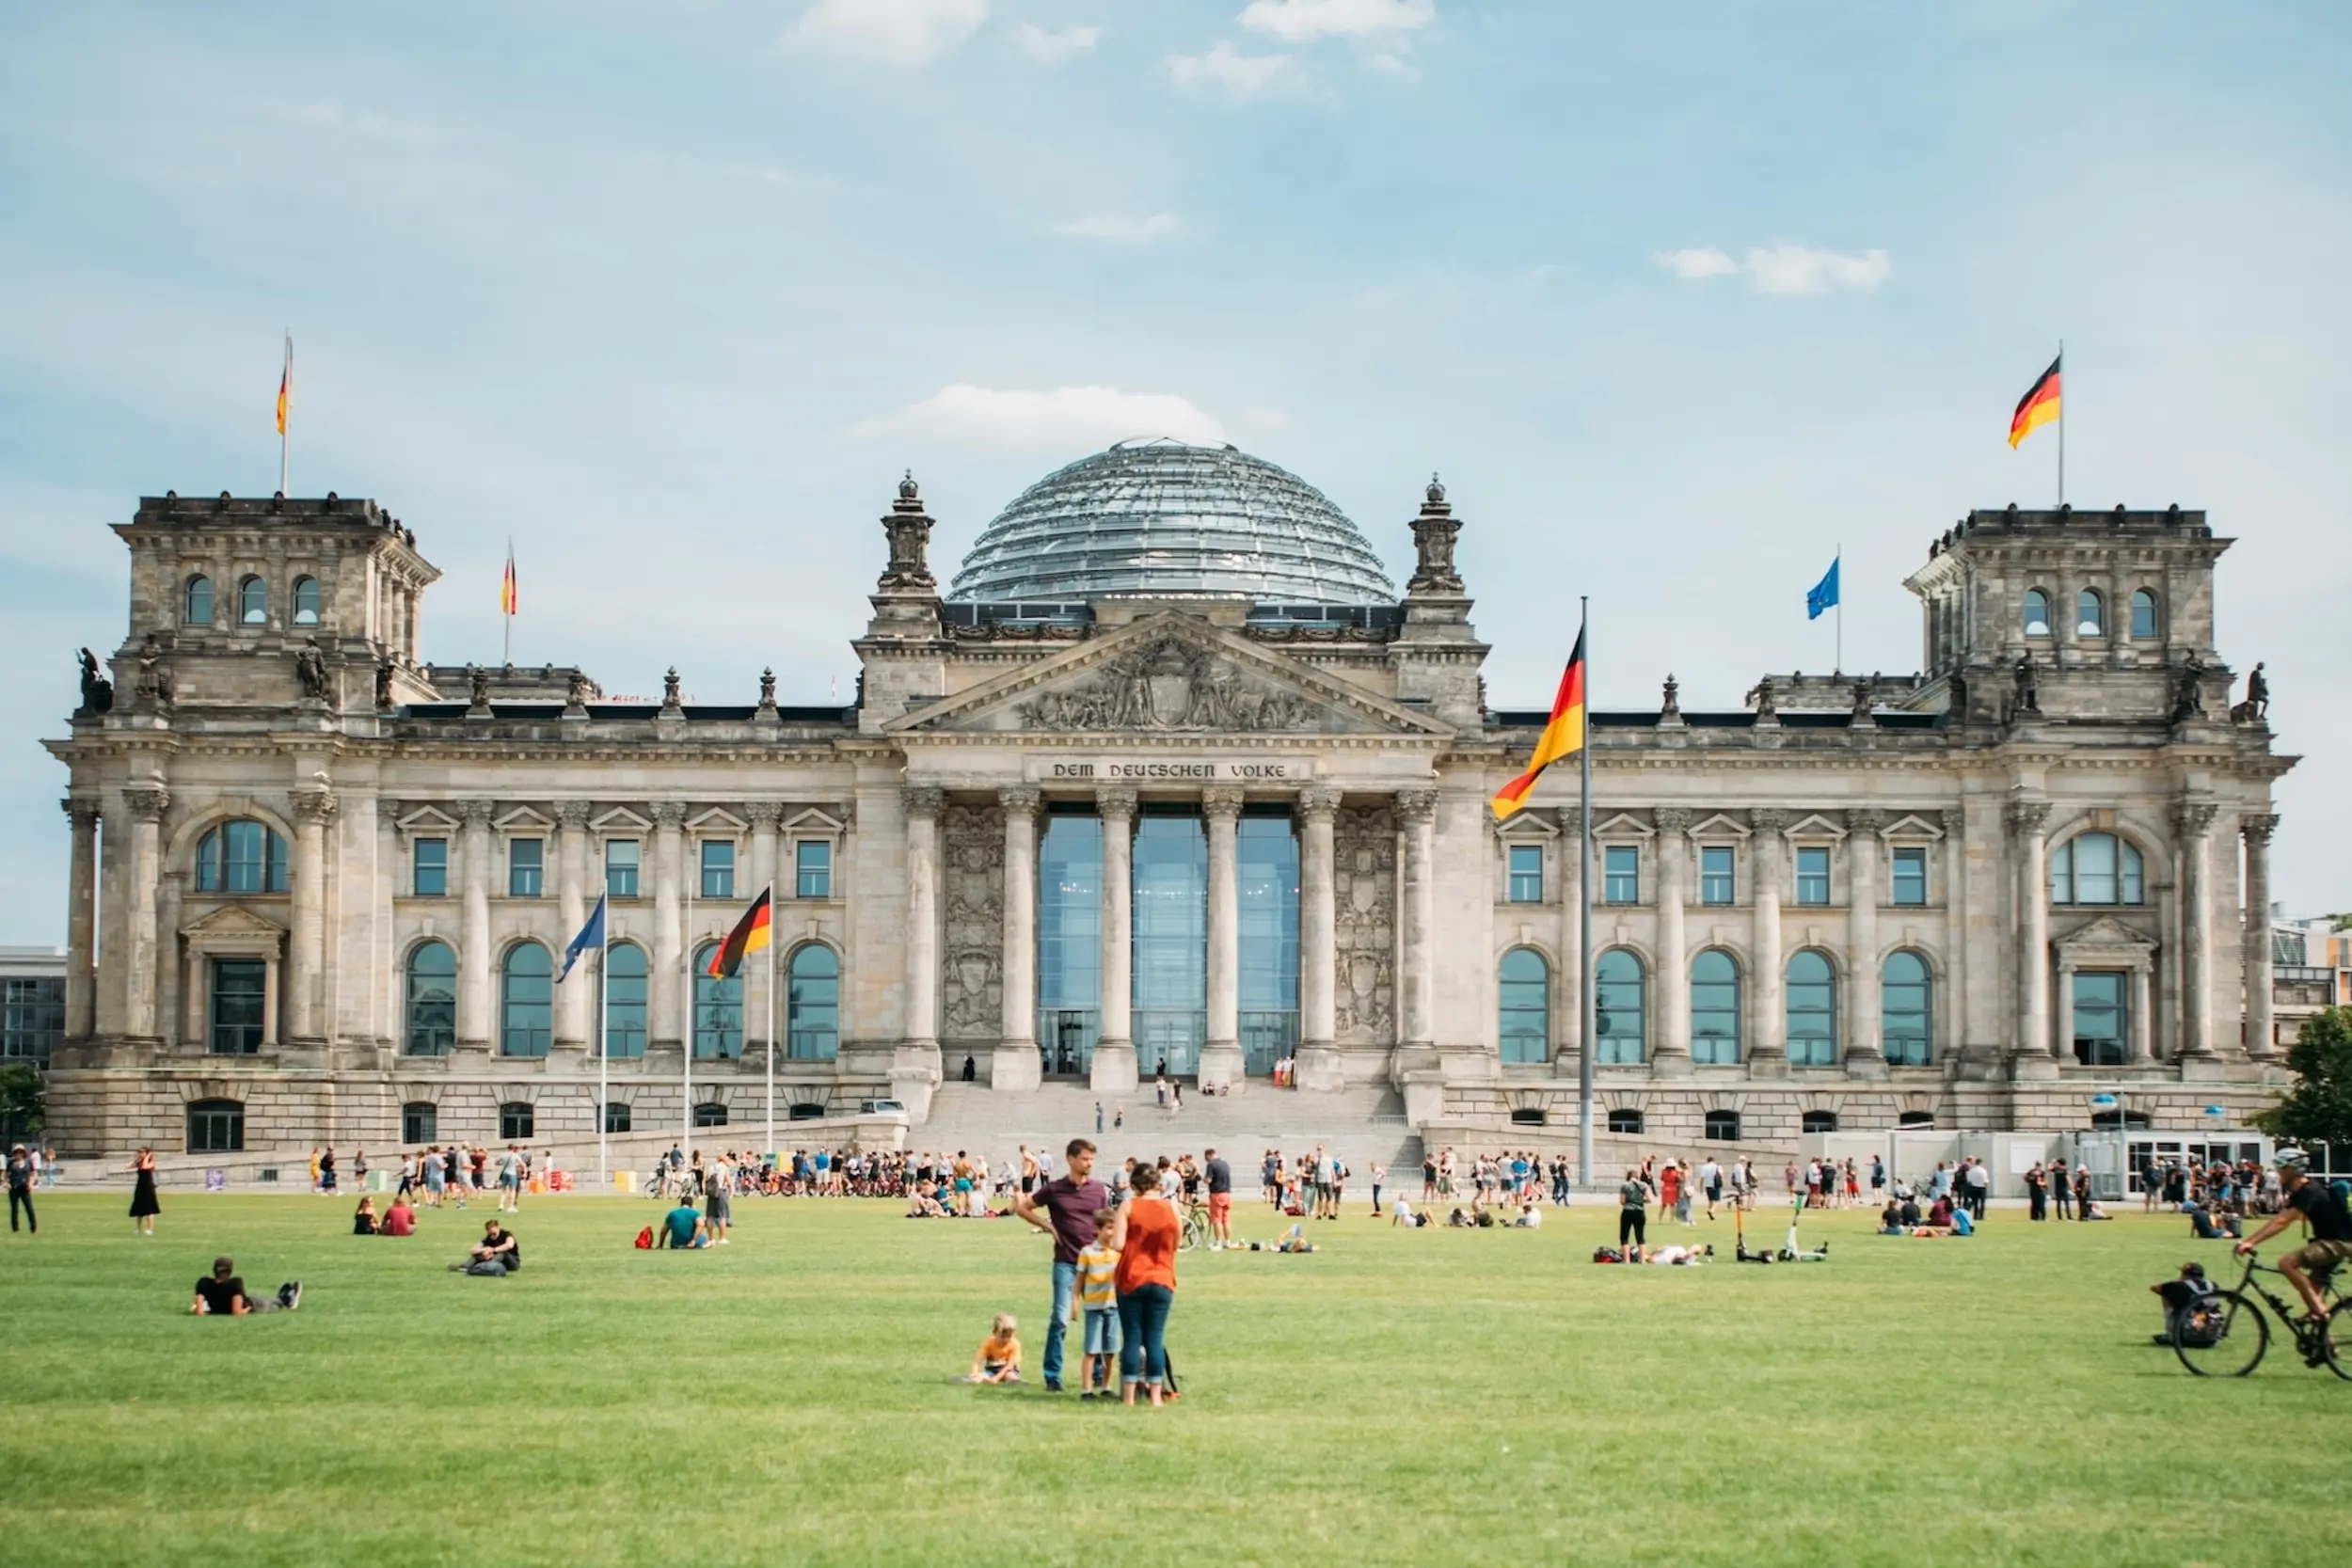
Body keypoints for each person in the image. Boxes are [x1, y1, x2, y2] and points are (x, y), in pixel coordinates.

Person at [1012, 1137, 1109, 1394]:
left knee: (1097, 1316)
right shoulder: (1055, 1189)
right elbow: (1022, 1208)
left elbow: (1105, 1224)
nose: (1089, 1164)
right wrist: (1047, 1226)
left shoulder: (1098, 1190)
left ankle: (1098, 1373)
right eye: (1085, 1159)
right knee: (1060, 1319)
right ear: (1071, 1159)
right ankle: (1052, 1375)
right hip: (1066, 1262)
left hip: (1095, 1263)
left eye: (1092, 1160)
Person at [2233, 1148, 2352, 1329]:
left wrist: (2250, 1242)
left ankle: (2321, 1312)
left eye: (2281, 1167)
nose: (2277, 1172)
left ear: (2292, 1169)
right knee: (2310, 1290)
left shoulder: (2308, 1191)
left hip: (2337, 1243)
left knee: (2287, 1264)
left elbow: (2282, 1222)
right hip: (2333, 1242)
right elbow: (2281, 1217)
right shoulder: (2303, 1191)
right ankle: (2327, 1346)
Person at [1109, 1164, 1179, 1407]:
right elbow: (1176, 1242)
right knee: (1155, 1339)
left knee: (1132, 1337)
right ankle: (1156, 1397)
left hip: (1132, 1277)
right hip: (1162, 1276)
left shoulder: (1128, 1206)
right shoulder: (1170, 1208)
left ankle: (1128, 1397)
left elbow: (1118, 1243)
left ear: (1135, 1184)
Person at [1074, 1210, 1120, 1397]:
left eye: (1115, 1228)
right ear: (1098, 1229)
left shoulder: (1118, 1253)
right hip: (1094, 1308)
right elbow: (1078, 1280)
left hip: (1114, 1307)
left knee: (1110, 1350)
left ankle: (1106, 1386)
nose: (1113, 1232)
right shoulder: (1087, 1252)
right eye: (1109, 1228)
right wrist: (1074, 1303)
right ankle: (1087, 1388)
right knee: (1091, 1350)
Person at [192, 1256, 299, 1315]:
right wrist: (248, 1310)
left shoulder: (204, 1283)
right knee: (274, 1304)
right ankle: (287, 1300)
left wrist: (210, 1311)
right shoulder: (234, 1283)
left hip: (219, 1306)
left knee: (270, 1301)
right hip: (253, 1304)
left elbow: (199, 1312)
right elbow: (237, 1311)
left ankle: (283, 1298)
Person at [965, 1313, 1022, 1385]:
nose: (1006, 1340)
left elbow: (1009, 1366)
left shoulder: (1015, 1344)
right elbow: (977, 1361)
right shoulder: (988, 1343)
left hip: (1009, 1370)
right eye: (1002, 1337)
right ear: (994, 1332)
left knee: (1010, 1377)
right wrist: (974, 1373)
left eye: (1009, 1336)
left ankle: (1015, 1382)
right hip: (992, 1370)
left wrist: (996, 1378)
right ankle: (969, 1381)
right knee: (979, 1377)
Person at [452, 1219, 520, 1275]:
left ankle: (486, 1267)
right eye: (490, 1234)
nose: (492, 1237)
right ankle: (465, 1267)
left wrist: (492, 1250)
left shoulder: (506, 1234)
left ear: (498, 1228)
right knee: (478, 1254)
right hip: (497, 1262)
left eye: (494, 1234)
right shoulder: (488, 1238)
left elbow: (509, 1245)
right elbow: (472, 1250)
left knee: (502, 1253)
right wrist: (484, 1250)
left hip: (512, 1262)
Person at [1203, 1147, 1234, 1250]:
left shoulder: (1211, 1165)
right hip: (1227, 1193)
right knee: (1226, 1219)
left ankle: (1218, 1242)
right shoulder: (1225, 1163)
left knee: (1217, 1219)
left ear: (1209, 1155)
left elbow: (1208, 1180)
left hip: (1217, 1194)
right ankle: (1228, 1241)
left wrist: (1203, 1178)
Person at [129, 1147, 159, 1236]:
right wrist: (136, 1159)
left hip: (148, 1188)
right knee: (139, 1209)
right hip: (140, 1187)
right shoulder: (139, 1162)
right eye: (139, 1152)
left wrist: (147, 1157)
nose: (140, 1154)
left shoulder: (151, 1163)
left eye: (142, 1152)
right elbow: (129, 1166)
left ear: (147, 1153)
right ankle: (138, 1229)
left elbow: (146, 1166)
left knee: (149, 1209)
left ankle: (149, 1229)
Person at [1617, 1168, 1647, 1251]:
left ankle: (1627, 1260)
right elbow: (1649, 1199)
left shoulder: (1625, 1186)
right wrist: (1640, 1200)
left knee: (1624, 1236)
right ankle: (1642, 1259)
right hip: (1640, 1211)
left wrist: (1629, 1200)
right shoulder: (1643, 1185)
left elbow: (1622, 1201)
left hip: (1628, 1211)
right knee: (1640, 1236)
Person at [7, 1144, 33, 1235]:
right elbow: (7, 1175)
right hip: (14, 1188)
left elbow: (33, 1174)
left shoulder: (28, 1162)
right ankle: (15, 1228)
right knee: (14, 1209)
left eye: (20, 1152)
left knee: (29, 1208)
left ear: (23, 1153)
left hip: (25, 1188)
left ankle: (33, 1227)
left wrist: (31, 1183)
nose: (18, 1154)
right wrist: (7, 1183)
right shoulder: (11, 1163)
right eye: (17, 1152)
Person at [704, 1160, 732, 1244]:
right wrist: (730, 1193)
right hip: (721, 1191)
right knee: (722, 1216)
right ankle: (722, 1238)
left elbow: (706, 1179)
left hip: (711, 1191)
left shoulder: (711, 1167)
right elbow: (729, 1182)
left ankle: (710, 1238)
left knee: (710, 1215)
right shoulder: (724, 1168)